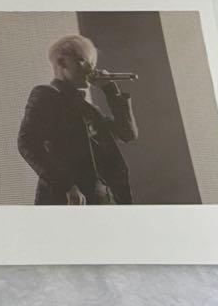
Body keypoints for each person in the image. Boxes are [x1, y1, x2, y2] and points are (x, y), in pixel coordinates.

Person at [17, 34, 138, 205]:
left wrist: (110, 90)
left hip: (107, 201)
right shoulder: (46, 95)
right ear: (62, 62)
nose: (90, 69)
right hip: (70, 200)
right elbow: (27, 144)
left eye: (92, 64)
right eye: (82, 61)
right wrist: (66, 186)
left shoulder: (90, 110)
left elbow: (128, 134)